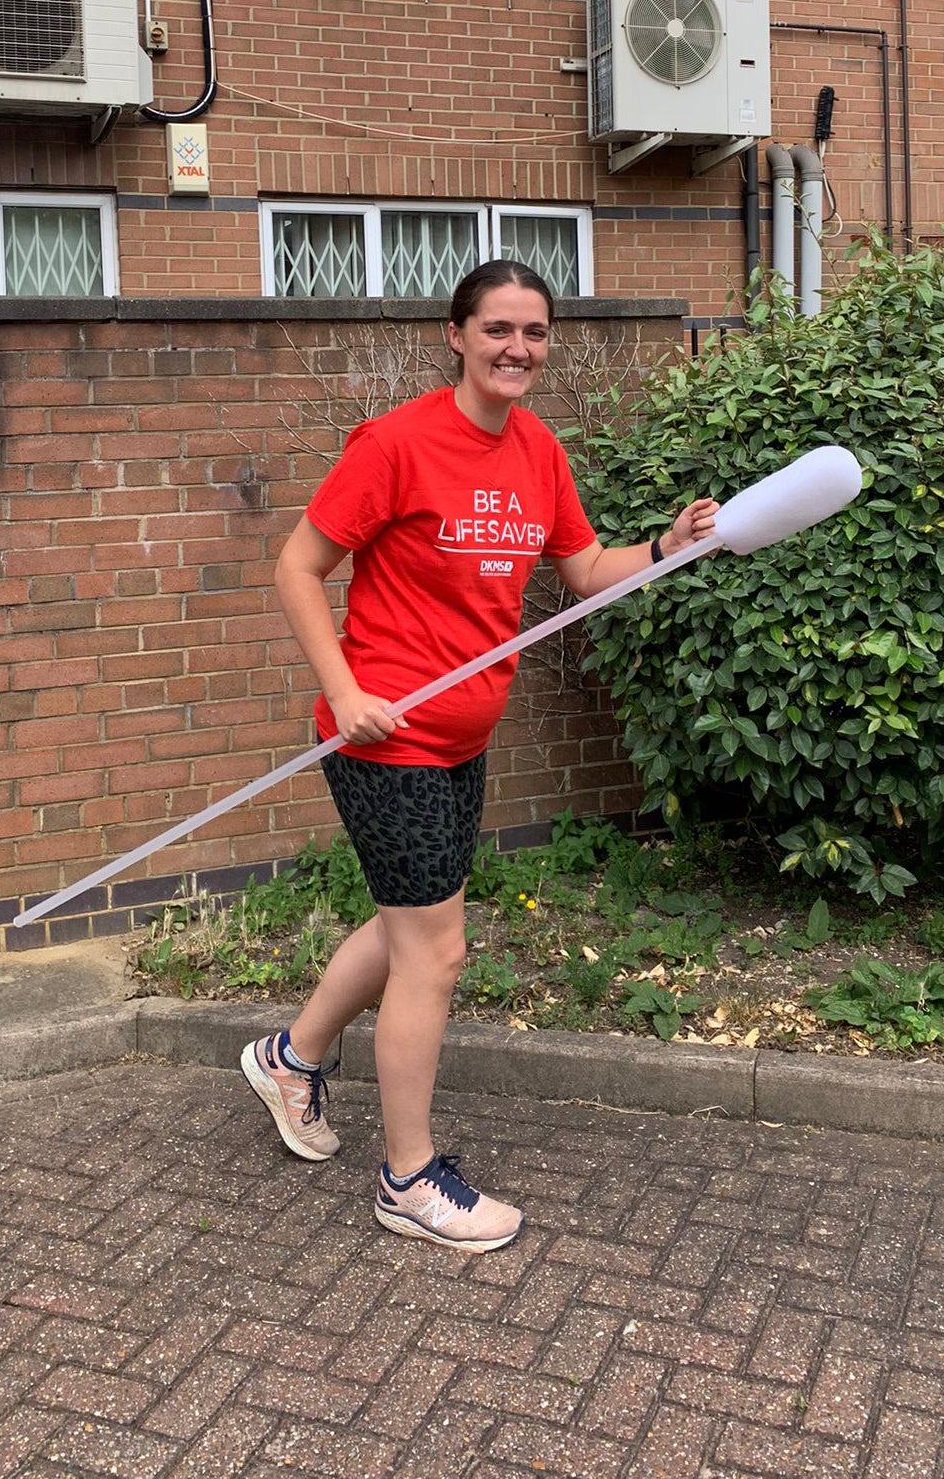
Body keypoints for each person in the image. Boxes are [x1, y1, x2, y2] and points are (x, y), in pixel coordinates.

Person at [237, 260, 719, 1253]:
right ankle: (408, 1179)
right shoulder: (397, 443)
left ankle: (292, 1057)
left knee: (408, 924)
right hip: (386, 736)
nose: (518, 348)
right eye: (499, 328)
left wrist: (665, 547)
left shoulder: (537, 450)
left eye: (535, 332)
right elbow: (298, 565)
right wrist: (346, 691)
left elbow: (584, 568)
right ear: (456, 335)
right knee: (437, 949)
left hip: (462, 738)